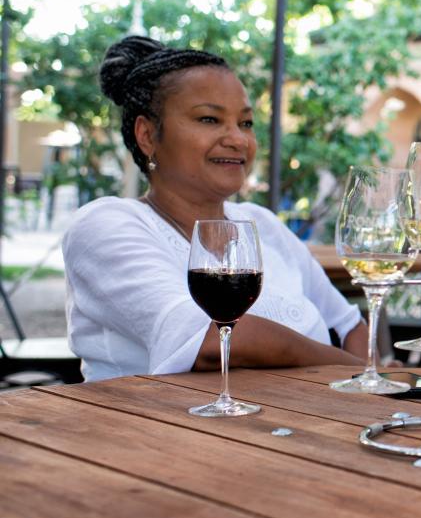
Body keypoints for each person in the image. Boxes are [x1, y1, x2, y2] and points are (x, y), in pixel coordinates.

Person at [64, 36, 369, 381]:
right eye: (209, 119)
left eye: (246, 123)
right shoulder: (107, 226)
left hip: (297, 426)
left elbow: (350, 325)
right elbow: (208, 341)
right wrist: (353, 370)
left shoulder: (260, 223)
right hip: (165, 430)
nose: (238, 139)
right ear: (147, 135)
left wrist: (361, 393)